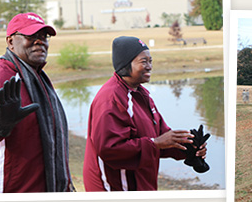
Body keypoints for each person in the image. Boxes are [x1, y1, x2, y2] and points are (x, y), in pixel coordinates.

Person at [0, 12, 73, 193]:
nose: (40, 41)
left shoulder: (39, 79)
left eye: (44, 36)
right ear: (11, 42)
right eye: (31, 36)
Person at [83, 36, 207, 191]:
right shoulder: (111, 99)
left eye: (150, 61)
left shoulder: (141, 94)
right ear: (125, 65)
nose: (149, 66)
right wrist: (155, 143)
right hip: (114, 187)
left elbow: (161, 136)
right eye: (144, 62)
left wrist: (189, 147)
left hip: (139, 183)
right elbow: (110, 148)